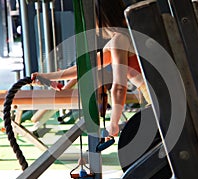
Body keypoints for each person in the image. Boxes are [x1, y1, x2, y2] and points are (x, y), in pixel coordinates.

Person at [31, 0, 151, 138]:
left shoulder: (120, 39)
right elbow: (87, 67)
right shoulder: (123, 36)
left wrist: (113, 122)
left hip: (156, 99)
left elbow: (119, 86)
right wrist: (48, 77)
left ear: (99, 18)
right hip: (156, 97)